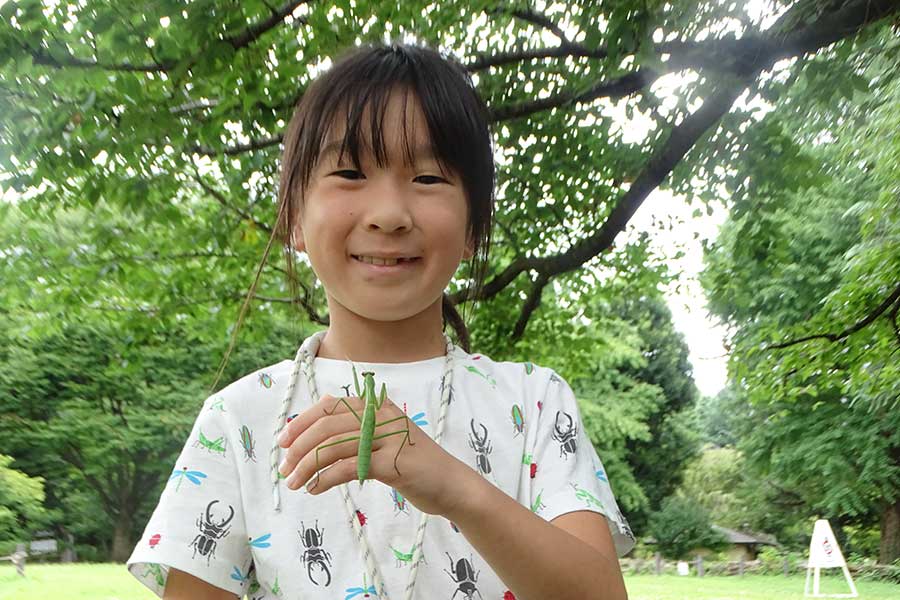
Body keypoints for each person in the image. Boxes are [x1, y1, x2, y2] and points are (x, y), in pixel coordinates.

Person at [127, 42, 635, 600]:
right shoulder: (239, 419)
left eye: (428, 178)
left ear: (473, 227)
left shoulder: (535, 402)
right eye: (349, 172)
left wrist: (452, 486)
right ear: (295, 217)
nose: (389, 214)